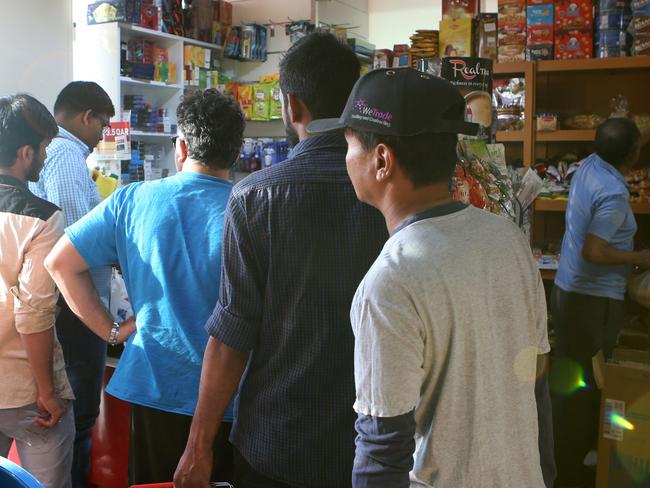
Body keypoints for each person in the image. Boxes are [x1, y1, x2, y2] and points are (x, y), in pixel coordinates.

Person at [307, 68, 550, 487]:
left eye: (348, 143)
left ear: (381, 159)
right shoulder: (506, 238)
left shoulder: (392, 282)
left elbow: (382, 449)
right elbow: (538, 377)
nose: (345, 156)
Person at [174, 33, 388, 488]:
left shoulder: (255, 196)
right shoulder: (392, 192)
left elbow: (233, 335)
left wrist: (198, 447)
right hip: (373, 446)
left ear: (291, 106)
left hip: (276, 443)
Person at [45, 89, 244, 484]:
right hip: (234, 396)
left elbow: (60, 262)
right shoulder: (251, 207)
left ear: (181, 147)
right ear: (236, 151)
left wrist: (111, 331)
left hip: (157, 381)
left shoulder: (133, 200)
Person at [551, 117, 650, 488]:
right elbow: (596, 250)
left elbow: (621, 141)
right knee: (590, 384)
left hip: (567, 290)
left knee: (570, 379)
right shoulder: (613, 192)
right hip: (593, 301)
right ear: (633, 154)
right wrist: (638, 257)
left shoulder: (589, 166)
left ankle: (562, 457)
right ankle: (576, 467)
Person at [28, 81, 115, 487]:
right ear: (87, 117)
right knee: (79, 420)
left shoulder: (55, 153)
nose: (102, 136)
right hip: (75, 307)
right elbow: (81, 239)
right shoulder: (65, 155)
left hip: (57, 302)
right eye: (102, 124)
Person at [0, 93, 75, 488]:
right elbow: (33, 314)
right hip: (27, 391)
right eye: (44, 148)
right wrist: (48, 390)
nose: (46, 157)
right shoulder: (42, 218)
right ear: (25, 153)